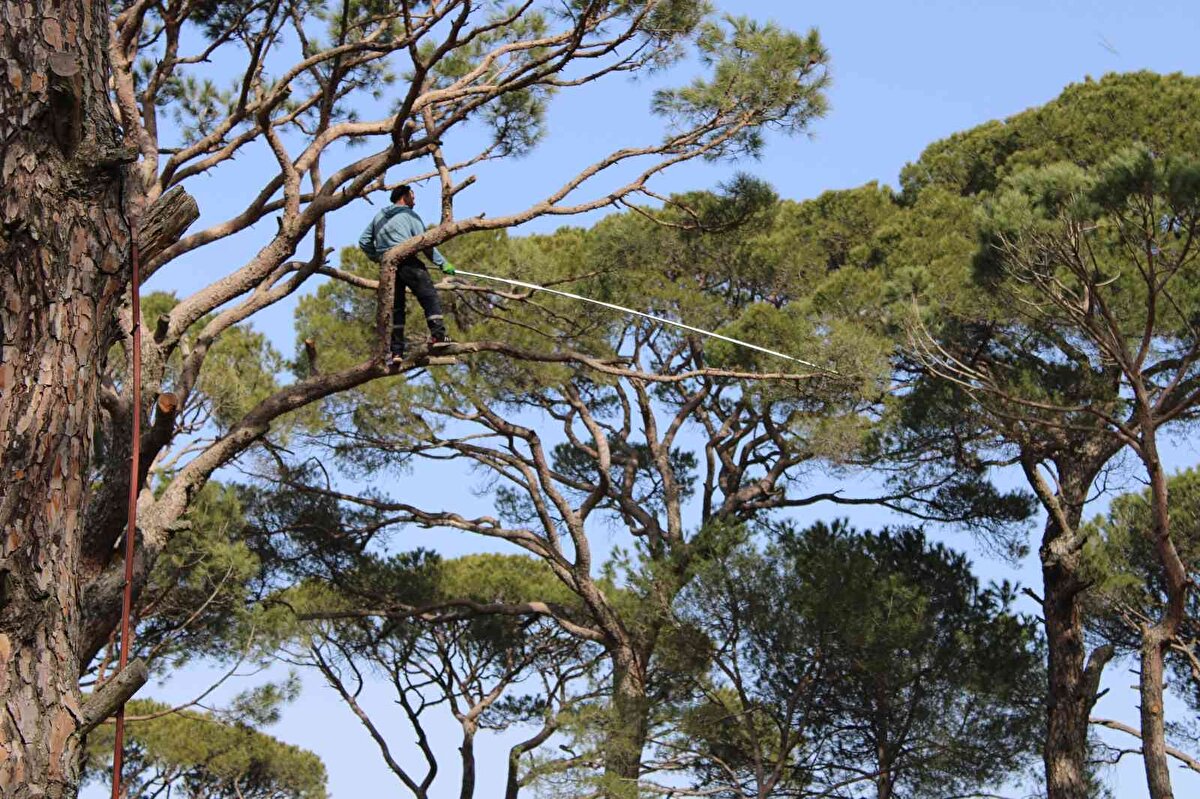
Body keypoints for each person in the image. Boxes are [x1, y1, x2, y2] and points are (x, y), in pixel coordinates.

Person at [358, 184, 456, 362]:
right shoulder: (409, 215)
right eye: (412, 195)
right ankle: (438, 336)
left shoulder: (379, 216)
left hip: (388, 267)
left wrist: (379, 258)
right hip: (408, 262)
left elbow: (364, 241)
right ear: (404, 196)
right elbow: (425, 242)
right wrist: (443, 264)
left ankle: (396, 352)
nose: (414, 199)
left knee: (397, 309)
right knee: (429, 296)